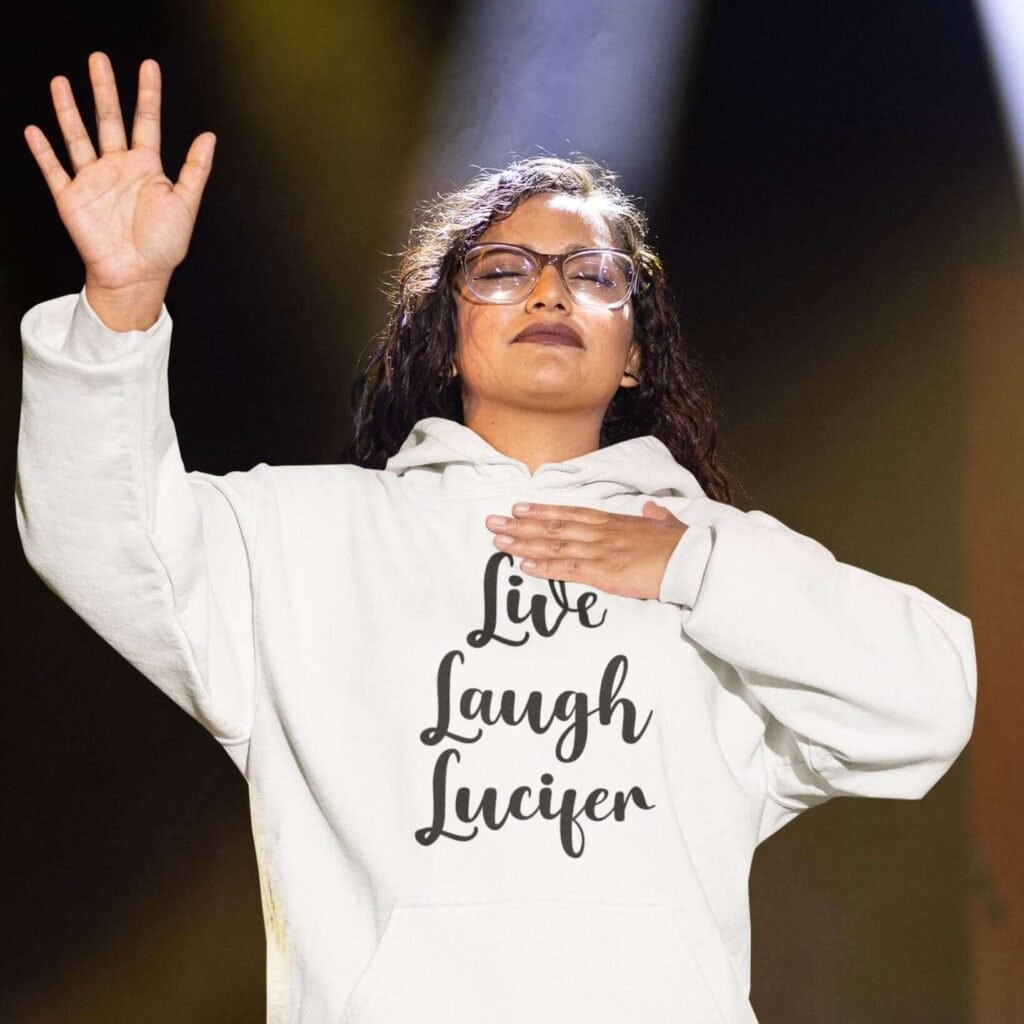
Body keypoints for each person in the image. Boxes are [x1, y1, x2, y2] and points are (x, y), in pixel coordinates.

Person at [17, 53, 976, 1024]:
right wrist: (121, 307)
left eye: (593, 275)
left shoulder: (714, 563)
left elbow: (931, 699)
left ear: (638, 348)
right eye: (506, 270)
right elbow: (97, 534)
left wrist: (691, 564)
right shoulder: (304, 538)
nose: (550, 294)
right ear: (448, 325)